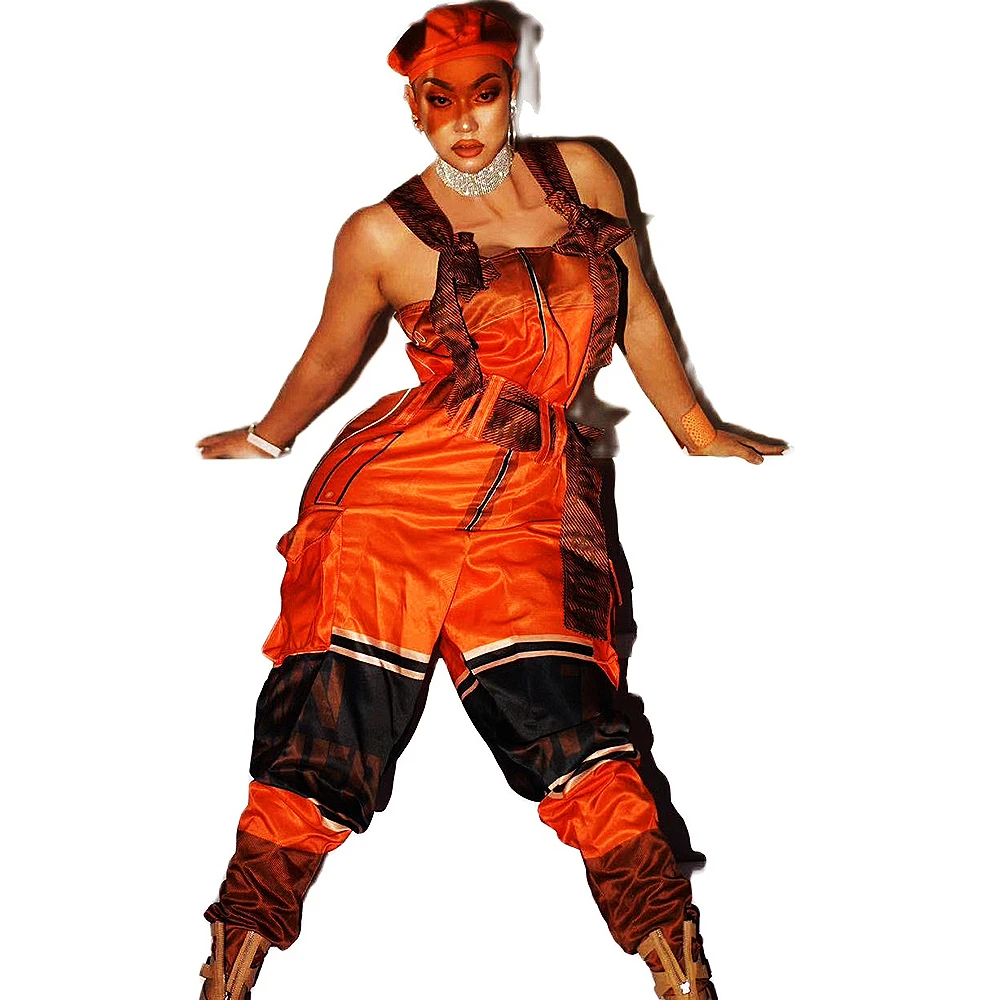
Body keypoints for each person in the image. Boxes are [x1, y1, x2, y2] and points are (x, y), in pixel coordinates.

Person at [195, 5, 784, 998]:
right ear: (412, 109)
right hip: (393, 502)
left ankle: (682, 976)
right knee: (324, 738)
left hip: (532, 500)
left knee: (578, 732)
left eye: (483, 94)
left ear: (513, 89)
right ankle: (227, 972)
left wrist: (695, 428)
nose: (463, 121)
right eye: (440, 101)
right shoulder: (381, 232)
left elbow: (636, 305)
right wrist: (263, 436)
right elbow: (330, 356)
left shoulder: (585, 174)